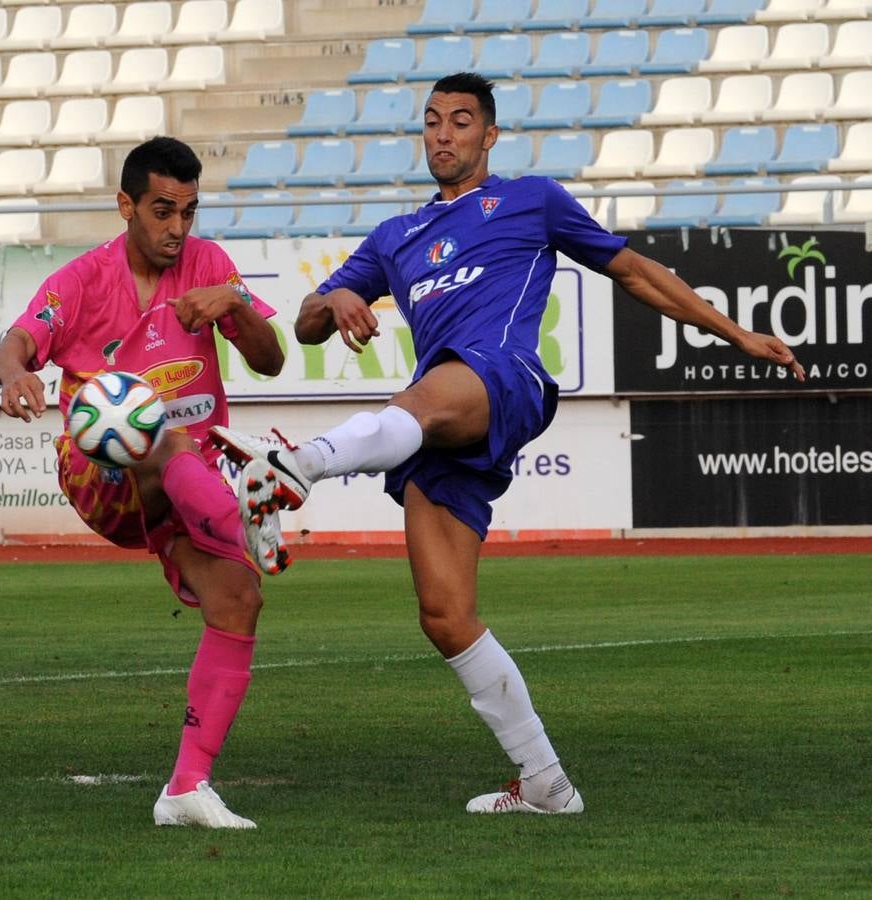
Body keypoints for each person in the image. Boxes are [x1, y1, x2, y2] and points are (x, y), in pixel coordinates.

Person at [211, 73, 806, 816]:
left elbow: (636, 273)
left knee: (423, 398)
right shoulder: (394, 238)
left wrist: (736, 332)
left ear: (488, 136)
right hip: (439, 424)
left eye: (460, 122)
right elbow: (303, 323)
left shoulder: (532, 200)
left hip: (502, 379)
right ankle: (548, 783)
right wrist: (334, 298)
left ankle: (295, 468)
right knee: (445, 614)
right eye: (431, 121)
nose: (443, 134)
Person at [0, 137, 285, 829]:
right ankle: (243, 509)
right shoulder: (81, 280)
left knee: (239, 600)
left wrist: (235, 302)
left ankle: (185, 788)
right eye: (162, 211)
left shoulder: (210, 264)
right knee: (160, 430)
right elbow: (15, 346)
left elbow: (270, 360)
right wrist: (17, 377)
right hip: (99, 471)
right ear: (126, 206)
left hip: (184, 484)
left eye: (188, 211)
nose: (178, 229)